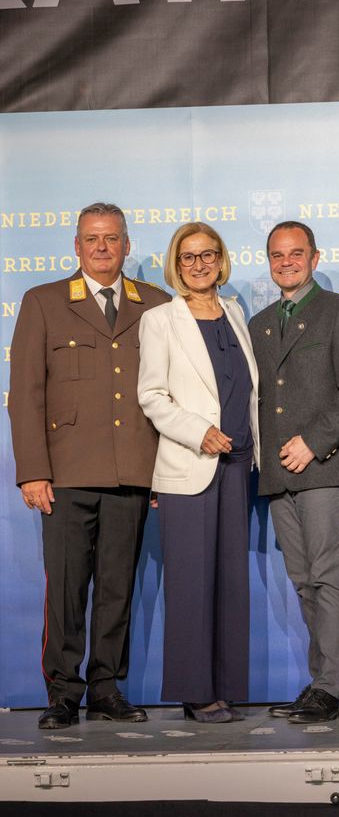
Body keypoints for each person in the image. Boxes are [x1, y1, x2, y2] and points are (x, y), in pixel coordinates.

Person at [8, 202, 169, 729]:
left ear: (127, 245)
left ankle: (106, 689)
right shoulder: (44, 301)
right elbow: (25, 393)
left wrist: (165, 471)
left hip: (133, 470)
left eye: (112, 238)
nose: (102, 248)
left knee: (118, 588)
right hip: (67, 473)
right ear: (76, 247)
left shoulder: (157, 304)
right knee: (67, 588)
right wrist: (33, 470)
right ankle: (62, 692)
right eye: (92, 239)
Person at [249, 221, 339, 724]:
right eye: (277, 255)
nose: (287, 262)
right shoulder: (259, 323)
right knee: (303, 582)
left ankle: (330, 687)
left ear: (315, 258)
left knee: (329, 578)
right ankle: (321, 683)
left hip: (323, 466)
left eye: (296, 253)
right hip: (278, 473)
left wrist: (315, 442)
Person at [137, 222, 259, 723]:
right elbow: (152, 396)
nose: (199, 264)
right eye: (188, 257)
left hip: (237, 464)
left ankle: (225, 687)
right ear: (176, 264)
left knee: (230, 583)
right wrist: (197, 431)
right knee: (191, 583)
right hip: (191, 464)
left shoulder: (235, 312)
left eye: (208, 254)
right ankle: (195, 692)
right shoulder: (160, 320)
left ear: (221, 259)